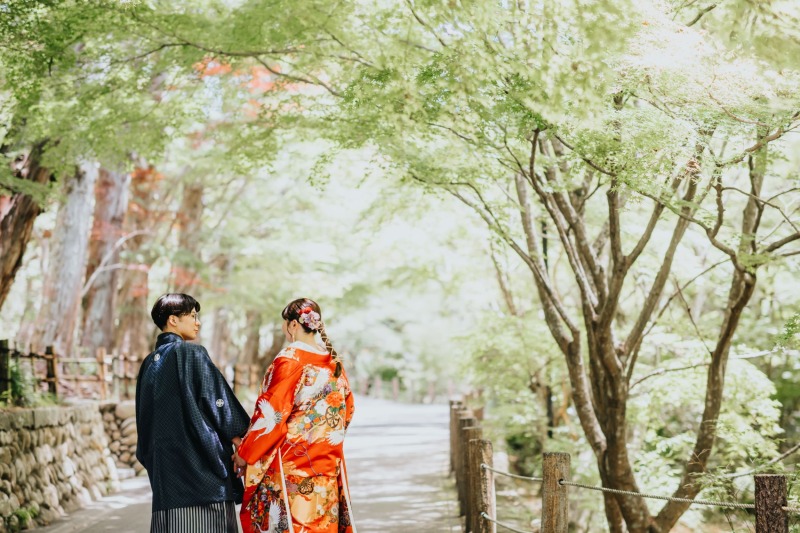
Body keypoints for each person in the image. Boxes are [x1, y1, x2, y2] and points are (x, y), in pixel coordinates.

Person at [234, 298, 357, 533]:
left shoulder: (290, 360)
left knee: (294, 524)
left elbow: (272, 414)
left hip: (293, 464)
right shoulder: (332, 362)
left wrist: (245, 453)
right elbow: (347, 409)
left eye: (284, 324)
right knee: (322, 523)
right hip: (326, 461)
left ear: (292, 325)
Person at [136, 293, 250, 533]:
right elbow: (216, 400)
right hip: (200, 470)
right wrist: (239, 440)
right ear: (173, 320)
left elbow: (143, 420)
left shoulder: (148, 363)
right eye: (192, 316)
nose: (197, 322)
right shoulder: (191, 354)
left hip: (166, 474)